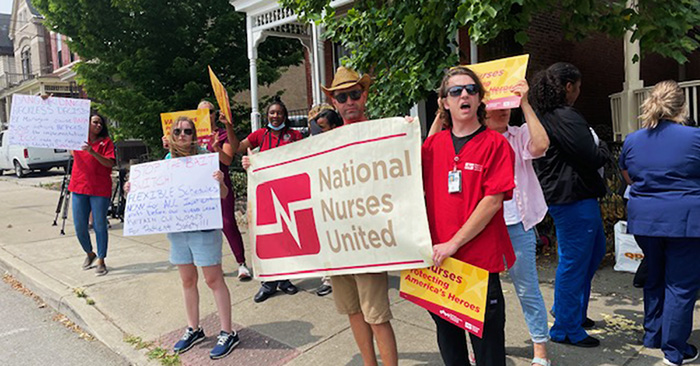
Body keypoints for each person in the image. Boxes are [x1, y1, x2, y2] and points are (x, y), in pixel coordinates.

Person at [423, 65, 515, 366]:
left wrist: (454, 242)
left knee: (488, 349)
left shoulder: (496, 144)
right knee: (450, 345)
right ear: (445, 102)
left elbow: (492, 201)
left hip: (478, 263)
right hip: (439, 263)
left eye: (471, 90)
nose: (464, 95)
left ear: (479, 99)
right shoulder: (433, 145)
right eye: (456, 91)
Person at [126, 116, 239, 359]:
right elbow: (157, 193)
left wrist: (220, 182)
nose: (182, 135)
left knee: (213, 279)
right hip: (178, 230)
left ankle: (228, 332)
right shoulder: (167, 161)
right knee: (187, 280)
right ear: (172, 134)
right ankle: (193, 328)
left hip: (204, 229)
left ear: (194, 135)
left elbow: (223, 194)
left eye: (187, 131)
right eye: (177, 131)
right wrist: (134, 189)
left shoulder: (205, 158)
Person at [619, 80, 700, 366]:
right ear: (682, 107)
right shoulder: (695, 138)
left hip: (644, 219)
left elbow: (628, 175)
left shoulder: (633, 139)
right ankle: (675, 350)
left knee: (654, 275)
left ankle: (654, 335)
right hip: (685, 221)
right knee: (681, 284)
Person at [530, 62, 610, 348]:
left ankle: (570, 311)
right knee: (575, 262)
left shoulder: (547, 116)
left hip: (568, 197)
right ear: (567, 86)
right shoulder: (564, 116)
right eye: (578, 86)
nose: (579, 91)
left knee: (590, 253)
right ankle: (566, 328)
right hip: (572, 197)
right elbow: (591, 153)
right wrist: (603, 147)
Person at [483, 80, 551, 366]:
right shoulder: (472, 140)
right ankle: (483, 344)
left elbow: (541, 145)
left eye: (506, 106)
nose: (503, 111)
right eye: (496, 106)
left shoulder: (519, 134)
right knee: (482, 293)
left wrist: (524, 103)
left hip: (517, 224)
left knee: (527, 288)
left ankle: (540, 351)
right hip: (483, 225)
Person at [237, 97, 304, 303]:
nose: (275, 116)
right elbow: (238, 147)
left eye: (279, 113)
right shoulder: (260, 135)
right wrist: (247, 159)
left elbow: (307, 155)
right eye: (272, 113)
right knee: (269, 237)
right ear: (267, 116)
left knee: (287, 236)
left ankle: (284, 280)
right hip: (266, 193)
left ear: (285, 115)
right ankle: (268, 283)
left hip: (288, 192)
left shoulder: (295, 135)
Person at [197, 100, 251, 281]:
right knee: (207, 226)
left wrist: (216, 148)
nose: (207, 116)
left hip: (220, 184)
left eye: (210, 111)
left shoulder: (221, 134)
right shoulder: (190, 134)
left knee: (227, 222)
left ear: (215, 114)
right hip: (199, 188)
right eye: (202, 113)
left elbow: (227, 160)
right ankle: (214, 264)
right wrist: (169, 143)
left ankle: (241, 264)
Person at [69, 113, 116, 276]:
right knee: (80, 226)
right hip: (79, 187)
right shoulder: (77, 140)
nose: (98, 126)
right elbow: (58, 123)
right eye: (95, 122)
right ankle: (90, 253)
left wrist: (93, 152)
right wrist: (46, 99)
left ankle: (101, 259)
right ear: (86, 123)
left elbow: (110, 163)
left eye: (101, 124)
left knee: (99, 224)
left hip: (99, 189)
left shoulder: (106, 143)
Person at [306, 106, 343, 297]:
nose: (319, 131)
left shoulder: (340, 141)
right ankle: (328, 278)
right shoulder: (315, 143)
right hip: (322, 198)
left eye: (323, 127)